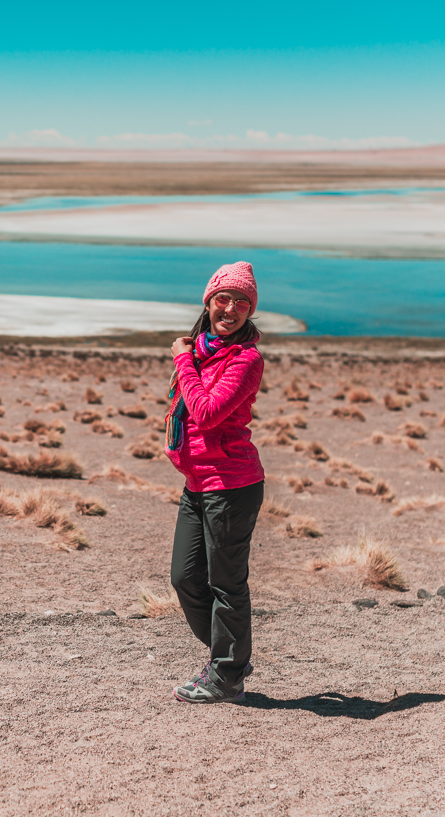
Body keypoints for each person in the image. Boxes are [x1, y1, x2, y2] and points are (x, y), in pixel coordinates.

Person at [163, 261, 265, 704]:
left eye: (242, 303)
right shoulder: (204, 352)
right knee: (185, 577)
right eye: (224, 298)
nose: (232, 309)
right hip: (199, 482)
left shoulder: (246, 359)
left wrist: (182, 360)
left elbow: (205, 412)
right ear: (208, 302)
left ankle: (226, 674)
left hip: (231, 484)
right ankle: (231, 659)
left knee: (226, 584)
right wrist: (191, 359)